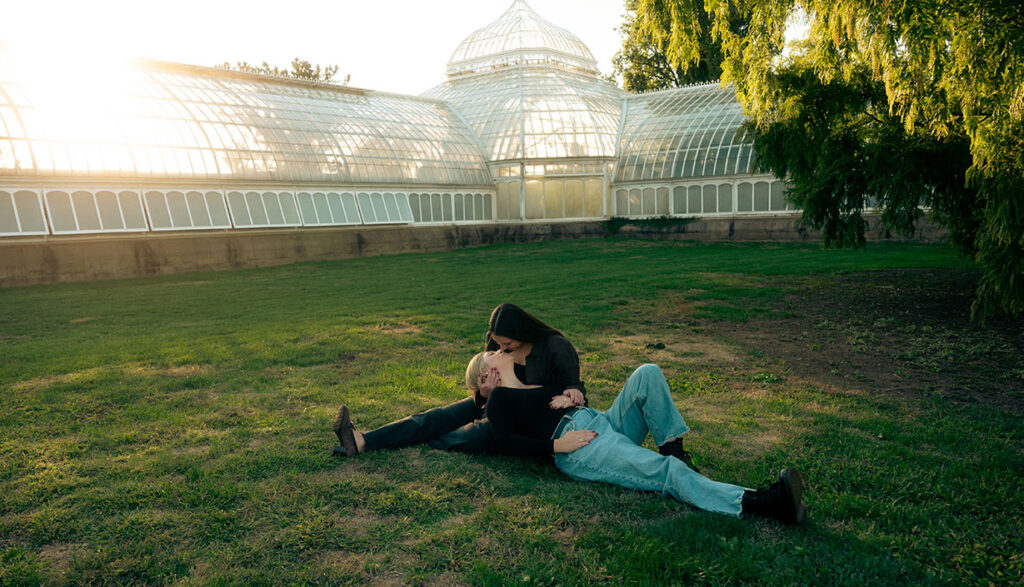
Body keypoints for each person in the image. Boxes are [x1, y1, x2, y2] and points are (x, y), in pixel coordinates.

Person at [470, 350, 807, 525]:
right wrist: (556, 446)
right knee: (665, 472)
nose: (495, 363)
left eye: (494, 360)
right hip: (582, 446)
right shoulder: (498, 400)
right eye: (487, 370)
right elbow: (505, 442)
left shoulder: (528, 380)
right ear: (483, 382)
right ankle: (765, 503)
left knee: (647, 373)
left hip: (600, 420)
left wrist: (572, 395)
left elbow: (567, 389)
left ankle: (675, 453)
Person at [331, 303, 597, 457]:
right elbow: (484, 389)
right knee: (437, 416)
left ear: (523, 332)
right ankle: (363, 441)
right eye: (497, 344)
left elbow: (573, 384)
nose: (501, 349)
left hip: (535, 418)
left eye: (507, 343)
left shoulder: (554, 347)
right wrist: (484, 392)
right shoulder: (498, 343)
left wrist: (573, 388)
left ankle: (436, 438)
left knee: (472, 435)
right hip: (498, 404)